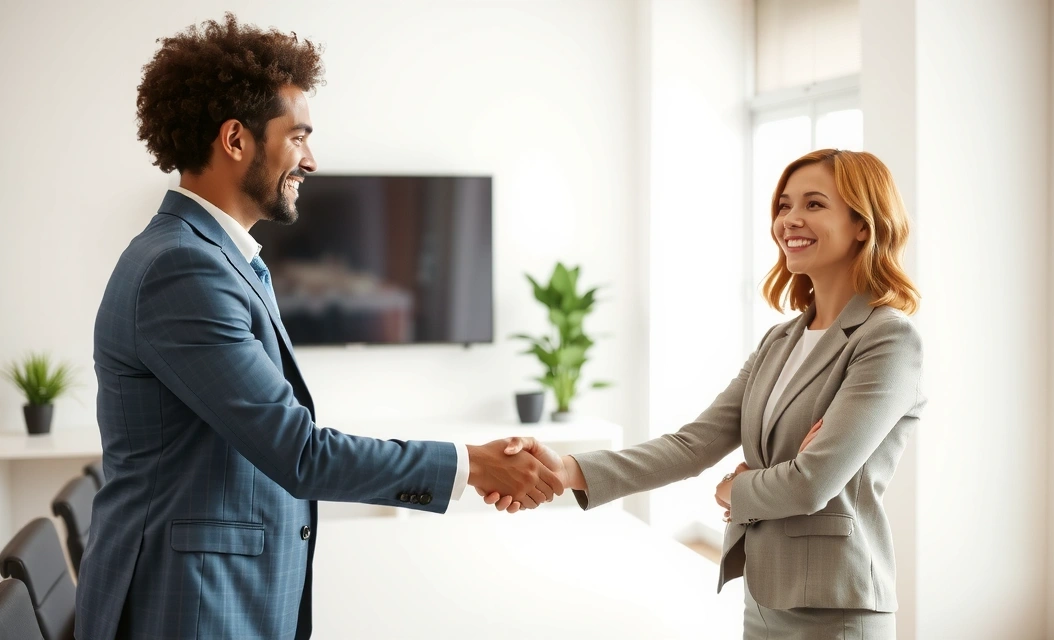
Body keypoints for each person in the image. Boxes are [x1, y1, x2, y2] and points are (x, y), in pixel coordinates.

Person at [76, 14, 561, 640]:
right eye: (298, 136)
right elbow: (298, 451)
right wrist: (470, 465)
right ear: (235, 140)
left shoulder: (215, 256)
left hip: (216, 590)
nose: (311, 159)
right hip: (190, 604)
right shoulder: (184, 267)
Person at [489, 149, 925, 639]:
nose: (790, 220)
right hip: (764, 595)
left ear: (863, 224)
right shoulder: (779, 341)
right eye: (783, 206)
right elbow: (693, 443)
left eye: (814, 204)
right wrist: (566, 470)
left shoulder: (887, 338)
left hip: (836, 607)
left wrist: (734, 491)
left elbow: (810, 483)